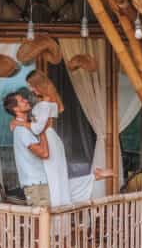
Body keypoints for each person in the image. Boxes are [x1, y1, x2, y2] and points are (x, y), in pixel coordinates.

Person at [24, 70, 115, 205]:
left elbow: (38, 128)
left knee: (53, 180)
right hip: (52, 139)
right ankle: (94, 177)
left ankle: (54, 215)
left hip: (47, 140)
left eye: (31, 86)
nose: (31, 89)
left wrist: (20, 122)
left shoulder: (44, 104)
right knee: (59, 179)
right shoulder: (51, 101)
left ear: (39, 85)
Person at [2, 91, 50, 207]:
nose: (26, 101)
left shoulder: (24, 126)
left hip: (39, 182)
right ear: (15, 109)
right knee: (43, 223)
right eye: (22, 100)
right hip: (36, 185)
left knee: (46, 222)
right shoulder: (22, 131)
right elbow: (44, 153)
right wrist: (41, 130)